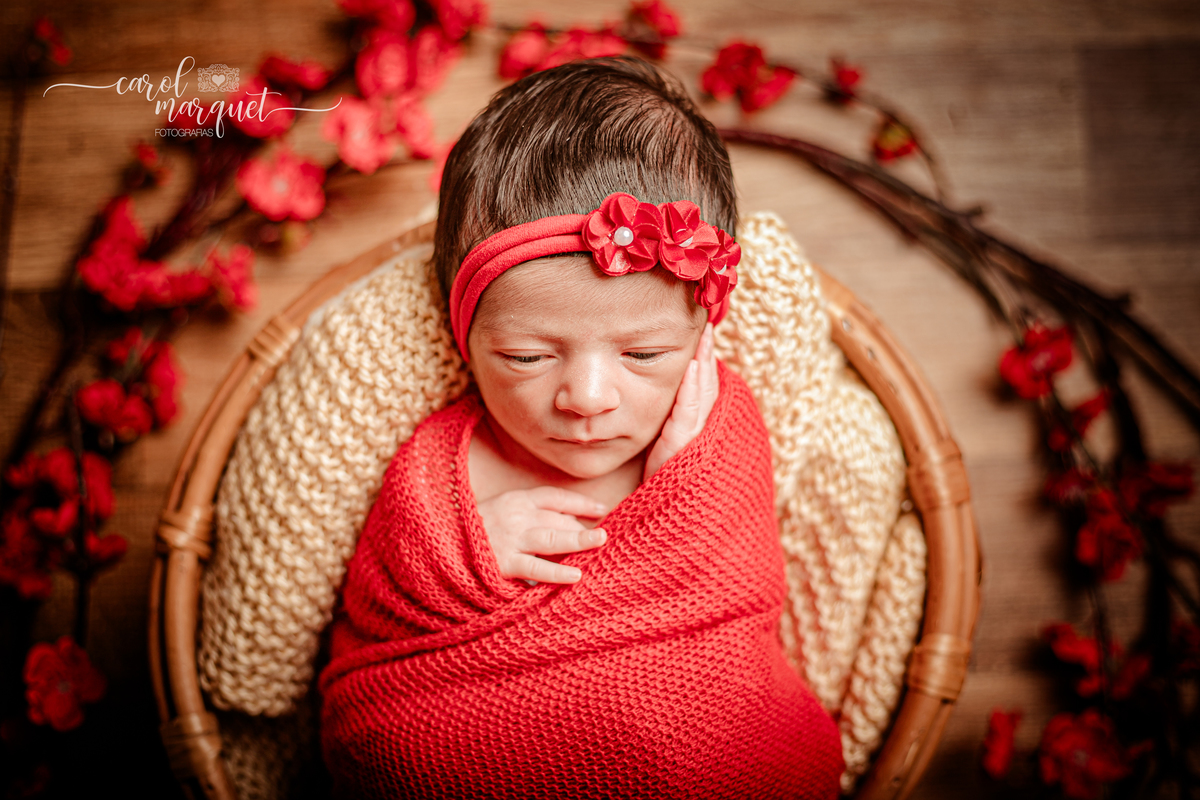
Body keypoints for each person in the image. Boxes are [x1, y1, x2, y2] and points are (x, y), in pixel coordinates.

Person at [318, 56, 844, 799]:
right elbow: (376, 614)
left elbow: (731, 609)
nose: (588, 397)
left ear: (702, 333)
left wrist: (682, 487)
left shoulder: (712, 432)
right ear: (462, 337)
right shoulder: (443, 462)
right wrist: (465, 554)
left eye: (643, 353)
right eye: (527, 355)